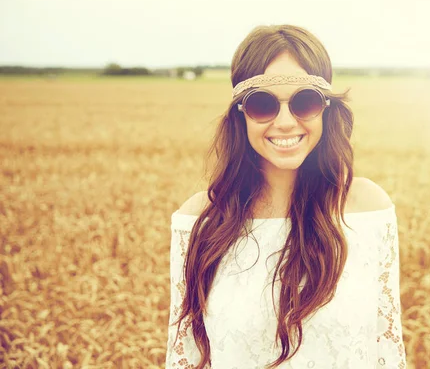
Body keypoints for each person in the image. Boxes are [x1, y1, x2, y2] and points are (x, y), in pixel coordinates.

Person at [165, 24, 407, 368]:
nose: (284, 122)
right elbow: (186, 357)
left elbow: (387, 349)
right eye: (262, 104)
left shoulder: (367, 210)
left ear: (325, 108)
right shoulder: (198, 220)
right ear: (240, 113)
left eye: (304, 102)